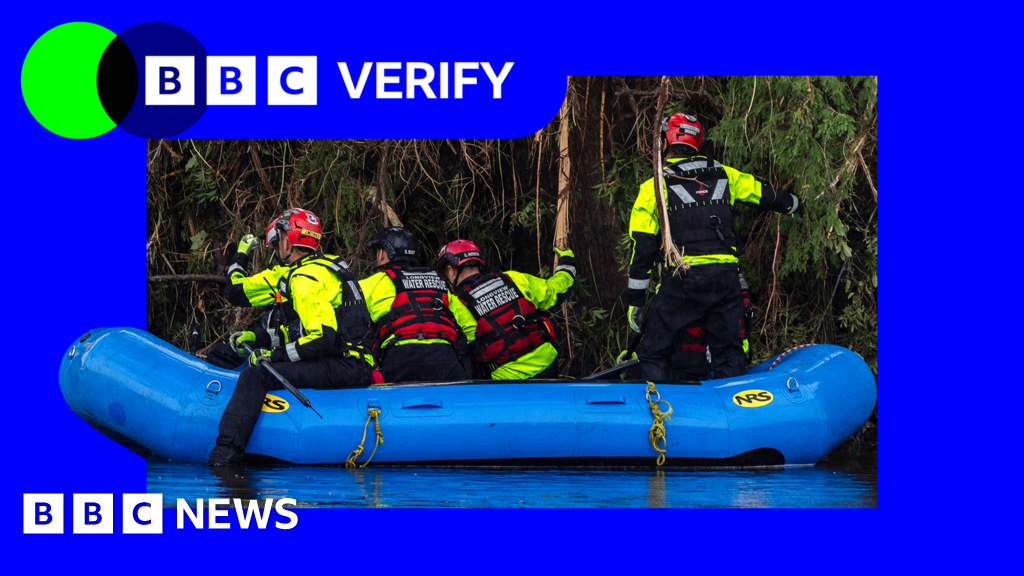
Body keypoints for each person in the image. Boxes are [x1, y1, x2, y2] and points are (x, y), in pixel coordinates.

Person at [626, 113, 801, 381]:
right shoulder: (724, 173)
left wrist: (635, 302)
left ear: (666, 141)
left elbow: (643, 246)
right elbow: (763, 194)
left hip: (684, 278)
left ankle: (656, 410)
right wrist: (795, 204)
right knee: (728, 352)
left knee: (654, 353)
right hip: (725, 279)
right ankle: (733, 409)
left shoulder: (654, 185)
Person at [208, 208, 378, 466]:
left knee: (256, 374)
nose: (276, 249)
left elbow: (322, 338)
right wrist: (259, 338)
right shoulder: (330, 266)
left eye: (278, 241)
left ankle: (224, 457)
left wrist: (272, 356)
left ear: (288, 240)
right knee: (242, 359)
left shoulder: (303, 279)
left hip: (344, 365)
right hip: (355, 361)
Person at [436, 240, 576, 380]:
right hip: (548, 364)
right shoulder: (513, 278)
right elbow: (556, 291)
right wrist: (567, 263)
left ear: (451, 270)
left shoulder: (456, 303)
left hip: (507, 380)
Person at [360, 226, 475, 383]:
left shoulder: (372, 284)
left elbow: (348, 320)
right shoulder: (439, 284)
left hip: (400, 357)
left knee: (394, 405)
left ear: (382, 254)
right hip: (445, 357)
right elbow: (470, 328)